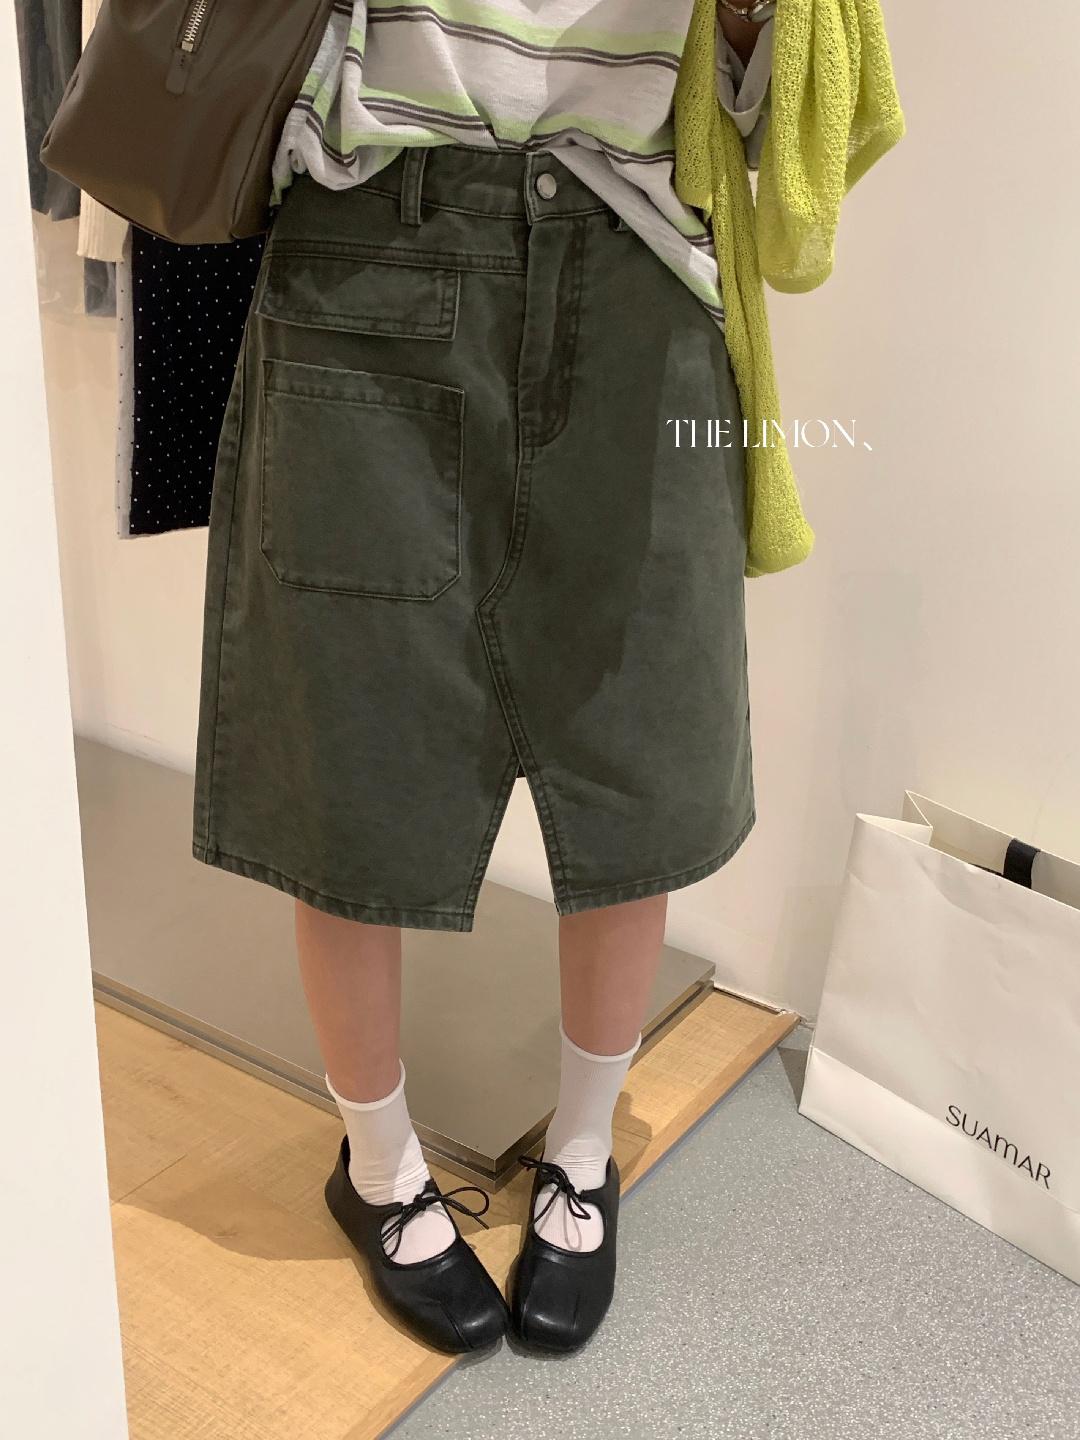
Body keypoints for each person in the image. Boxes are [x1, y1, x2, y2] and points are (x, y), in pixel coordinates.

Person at [191, 0, 774, 1355]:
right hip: (374, 248)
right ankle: (376, 1160)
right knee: (356, 742)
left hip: (639, 261)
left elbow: (772, 103)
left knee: (637, 744)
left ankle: (585, 1148)